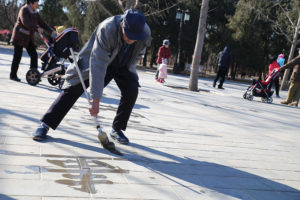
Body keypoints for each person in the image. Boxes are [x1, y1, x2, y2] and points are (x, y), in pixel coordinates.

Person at [32, 9, 151, 144]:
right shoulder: (108, 28)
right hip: (98, 61)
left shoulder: (144, 32)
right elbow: (98, 64)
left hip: (124, 64)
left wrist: (131, 68)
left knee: (131, 90)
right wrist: (95, 100)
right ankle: (45, 124)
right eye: (128, 35)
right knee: (73, 88)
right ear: (123, 25)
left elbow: (139, 53)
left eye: (135, 36)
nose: (131, 39)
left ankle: (117, 129)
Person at [9, 0, 56, 82]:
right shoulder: (24, 10)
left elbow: (42, 23)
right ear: (31, 2)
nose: (38, 3)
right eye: (37, 2)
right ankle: (13, 75)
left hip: (28, 38)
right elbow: (25, 22)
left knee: (34, 55)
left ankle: (34, 75)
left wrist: (51, 31)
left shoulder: (35, 12)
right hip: (19, 36)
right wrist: (36, 28)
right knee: (17, 56)